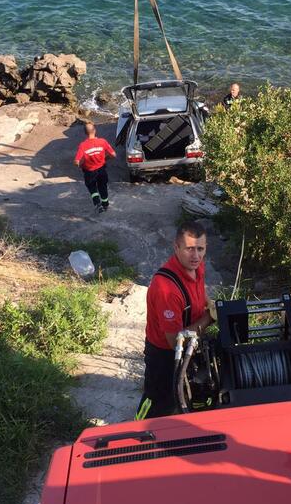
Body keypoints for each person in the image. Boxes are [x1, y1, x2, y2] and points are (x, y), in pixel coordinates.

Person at [135, 221, 215, 420]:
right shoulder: (166, 289)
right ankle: (139, 431)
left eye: (200, 249)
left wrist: (208, 303)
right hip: (164, 355)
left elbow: (199, 288)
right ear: (176, 247)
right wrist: (209, 317)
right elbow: (175, 341)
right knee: (158, 402)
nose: (195, 256)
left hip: (191, 343)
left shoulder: (197, 266)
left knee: (188, 393)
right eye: (189, 249)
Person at [74, 121, 116, 213]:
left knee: (92, 187)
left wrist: (81, 164)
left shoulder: (83, 145)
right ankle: (105, 205)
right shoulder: (103, 141)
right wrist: (104, 158)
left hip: (89, 172)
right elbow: (113, 155)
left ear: (85, 133)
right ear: (95, 130)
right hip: (101, 170)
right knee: (102, 187)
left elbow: (76, 162)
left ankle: (97, 204)